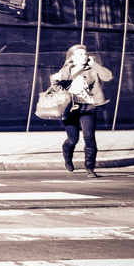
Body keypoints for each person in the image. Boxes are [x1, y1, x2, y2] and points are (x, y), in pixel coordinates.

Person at [52, 44, 113, 176]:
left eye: (85, 54)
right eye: (80, 54)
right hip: (70, 108)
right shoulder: (66, 70)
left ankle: (90, 168)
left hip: (88, 107)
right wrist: (54, 80)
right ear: (72, 57)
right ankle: (67, 156)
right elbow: (57, 88)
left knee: (89, 137)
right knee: (72, 140)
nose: (84, 56)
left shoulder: (92, 69)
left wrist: (95, 64)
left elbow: (108, 77)